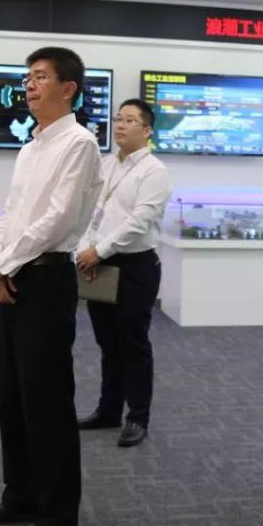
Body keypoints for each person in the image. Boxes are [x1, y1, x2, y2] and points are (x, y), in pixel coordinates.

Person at [0, 46, 104, 526]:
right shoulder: (31, 146)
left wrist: (3, 264)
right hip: (16, 276)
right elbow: (11, 214)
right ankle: (21, 495)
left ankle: (57, 521)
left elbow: (57, 220)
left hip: (46, 279)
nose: (28, 85)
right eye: (28, 77)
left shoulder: (79, 143)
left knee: (48, 403)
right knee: (14, 397)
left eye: (40, 77)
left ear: (68, 89)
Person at [75, 98, 172, 448]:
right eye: (118, 118)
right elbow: (91, 212)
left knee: (133, 343)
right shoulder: (106, 164)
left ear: (147, 131)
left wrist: (98, 251)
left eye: (130, 120)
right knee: (108, 343)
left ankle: (138, 417)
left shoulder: (154, 171)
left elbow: (139, 221)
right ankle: (108, 410)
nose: (120, 125)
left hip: (135, 267)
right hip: (98, 263)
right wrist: (86, 250)